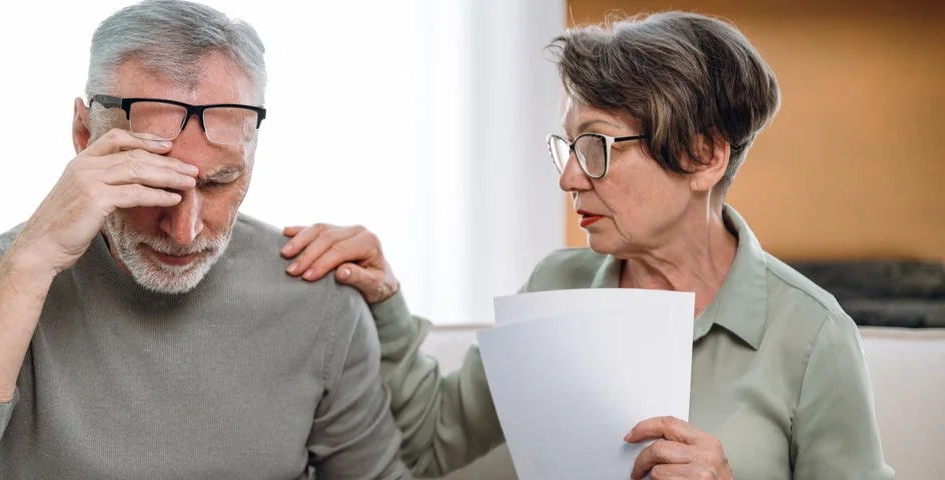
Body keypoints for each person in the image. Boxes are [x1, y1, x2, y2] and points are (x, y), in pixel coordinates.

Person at [281, 11, 894, 480]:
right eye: (568, 146)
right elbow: (434, 446)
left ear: (704, 156)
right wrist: (386, 301)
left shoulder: (814, 334)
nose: (569, 177)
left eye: (597, 147)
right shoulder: (556, 283)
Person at [0, 1, 410, 479]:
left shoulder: (319, 300)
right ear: (85, 136)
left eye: (220, 183)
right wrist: (28, 267)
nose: (185, 229)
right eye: (152, 179)